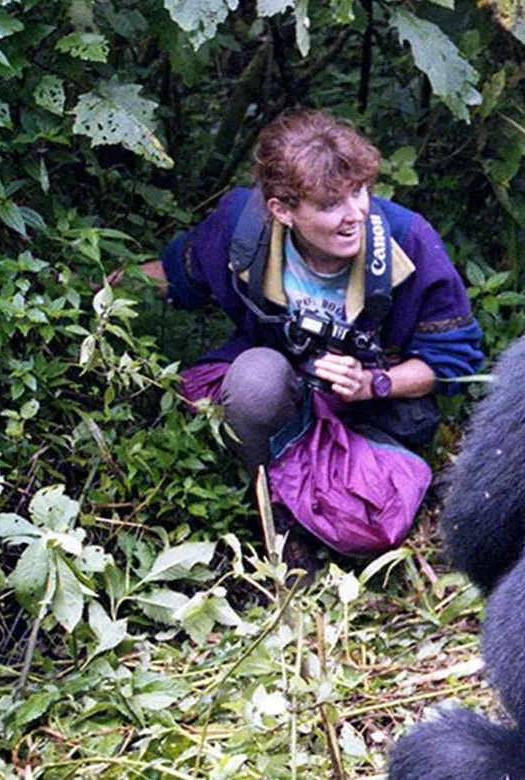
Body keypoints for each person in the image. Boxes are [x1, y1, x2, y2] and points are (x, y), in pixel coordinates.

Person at [135, 110, 483, 557]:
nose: (354, 214)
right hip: (279, 391)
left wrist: (374, 384)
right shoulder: (245, 227)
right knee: (247, 383)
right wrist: (94, 284)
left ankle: (319, 512)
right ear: (283, 210)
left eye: (359, 192)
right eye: (329, 205)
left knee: (369, 528)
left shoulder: (405, 238)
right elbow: (175, 274)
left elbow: (451, 362)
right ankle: (280, 529)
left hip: (367, 415)